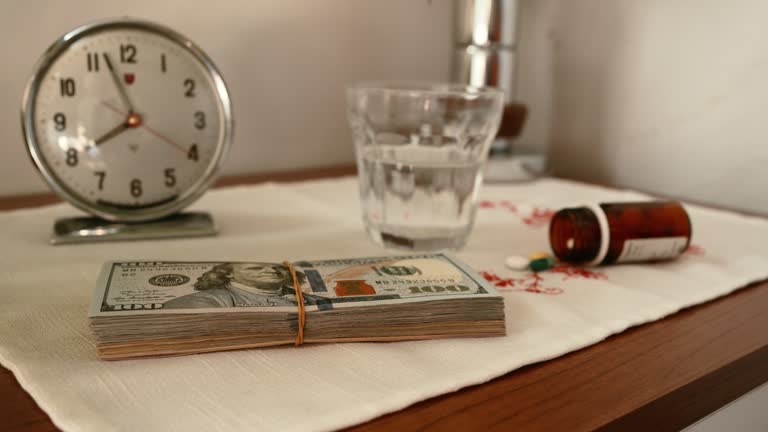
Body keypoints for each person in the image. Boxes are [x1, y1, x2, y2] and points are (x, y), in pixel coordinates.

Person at [162, 262, 323, 309]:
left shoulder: (314, 299)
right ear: (228, 273)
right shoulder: (205, 302)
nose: (272, 271)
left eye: (278, 267)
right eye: (256, 268)